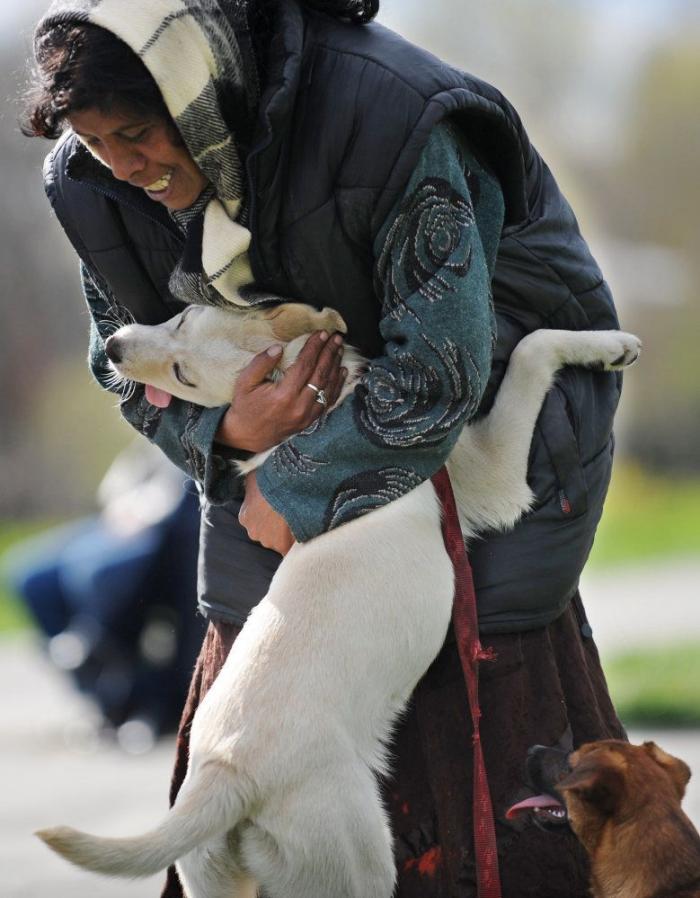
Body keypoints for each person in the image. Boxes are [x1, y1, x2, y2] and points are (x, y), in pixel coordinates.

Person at [25, 1, 626, 895]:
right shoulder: (92, 178)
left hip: (485, 434)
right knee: (257, 742)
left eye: (137, 133)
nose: (121, 166)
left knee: (483, 783)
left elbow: (439, 371)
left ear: (200, 91)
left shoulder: (394, 117)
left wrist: (293, 488)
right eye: (95, 141)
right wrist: (228, 436)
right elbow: (125, 367)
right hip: (261, 466)